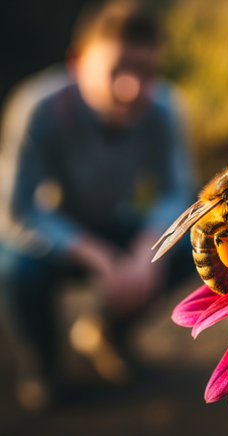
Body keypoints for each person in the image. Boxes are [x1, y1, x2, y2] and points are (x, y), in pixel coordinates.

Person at [0, 0, 195, 409]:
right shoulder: (36, 106)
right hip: (55, 233)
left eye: (147, 72)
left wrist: (146, 252)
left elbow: (178, 193)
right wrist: (101, 259)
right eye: (117, 70)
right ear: (77, 62)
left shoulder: (166, 108)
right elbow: (15, 210)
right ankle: (42, 366)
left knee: (193, 246)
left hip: (121, 224)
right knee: (14, 266)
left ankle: (107, 333)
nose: (132, 87)